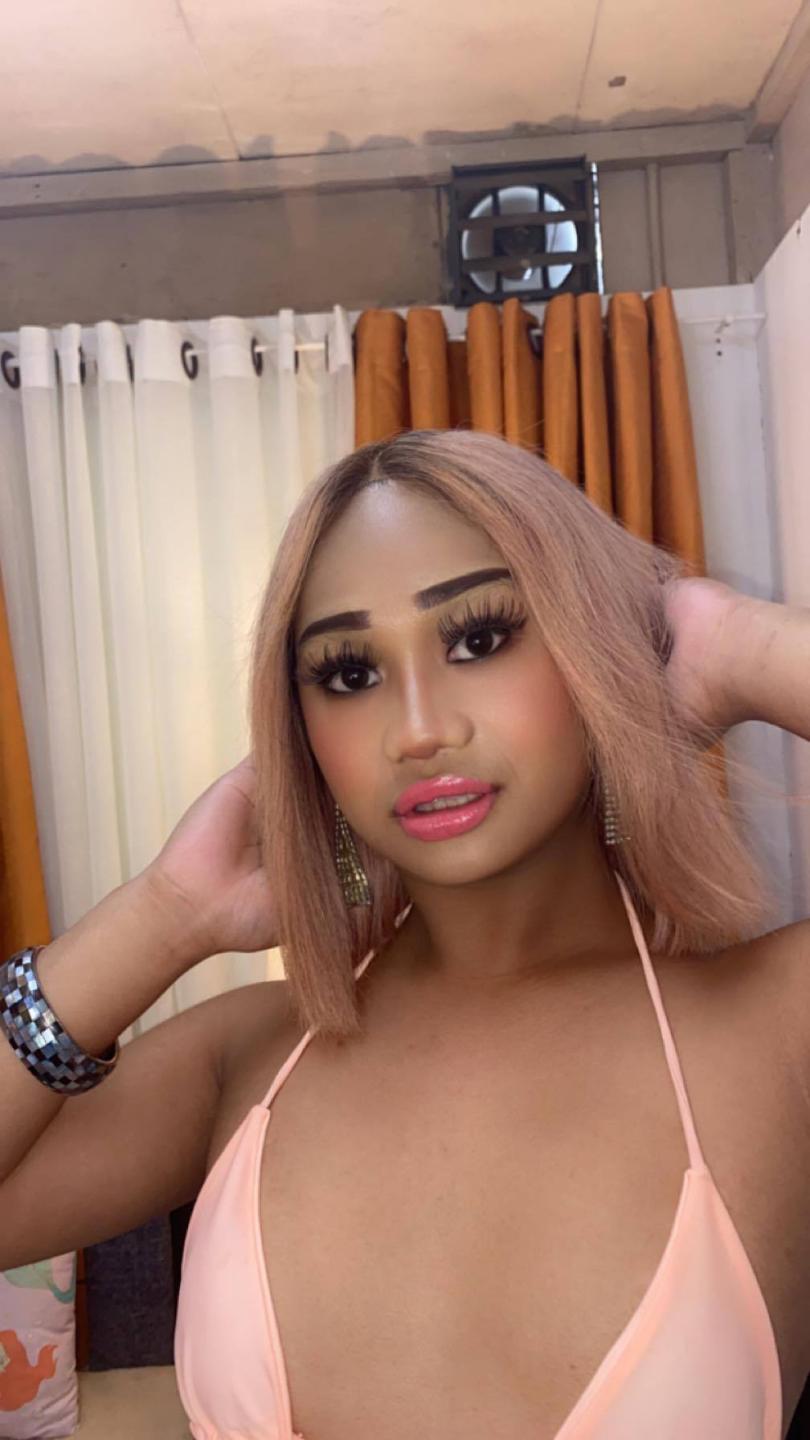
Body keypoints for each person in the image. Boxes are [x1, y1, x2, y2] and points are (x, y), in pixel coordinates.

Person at [2, 428, 808, 1439]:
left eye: (479, 638)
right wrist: (166, 913)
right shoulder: (251, 1056)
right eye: (348, 674)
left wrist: (743, 649)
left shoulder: (777, 1024)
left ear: (598, 649)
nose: (419, 729)